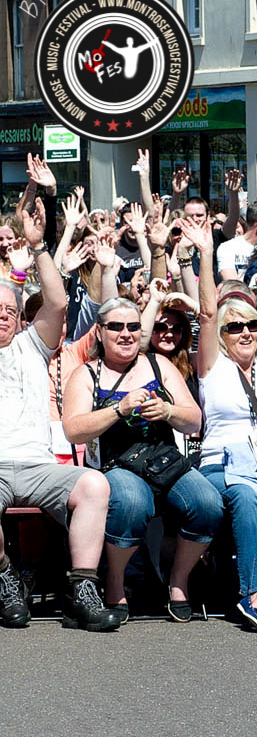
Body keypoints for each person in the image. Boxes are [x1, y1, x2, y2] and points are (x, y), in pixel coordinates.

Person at [0, 198, 121, 631]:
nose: (3, 316)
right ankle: (4, 578)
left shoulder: (32, 345)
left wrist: (38, 248)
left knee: (93, 484)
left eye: (11, 311)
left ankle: (82, 590)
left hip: (36, 465)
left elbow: (54, 302)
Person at [62, 297, 219, 623]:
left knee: (208, 503)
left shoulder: (160, 365)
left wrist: (168, 411)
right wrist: (119, 409)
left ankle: (178, 581)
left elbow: (194, 420)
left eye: (133, 326)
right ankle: (115, 582)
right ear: (100, 332)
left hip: (163, 461)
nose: (126, 333)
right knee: (133, 502)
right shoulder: (86, 374)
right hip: (116, 465)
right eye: (116, 327)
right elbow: (73, 430)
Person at [188, 216, 257, 631]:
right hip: (220, 464)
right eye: (235, 327)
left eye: (252, 324)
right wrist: (204, 252)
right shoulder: (212, 367)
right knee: (246, 498)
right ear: (224, 334)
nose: (246, 332)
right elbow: (206, 313)